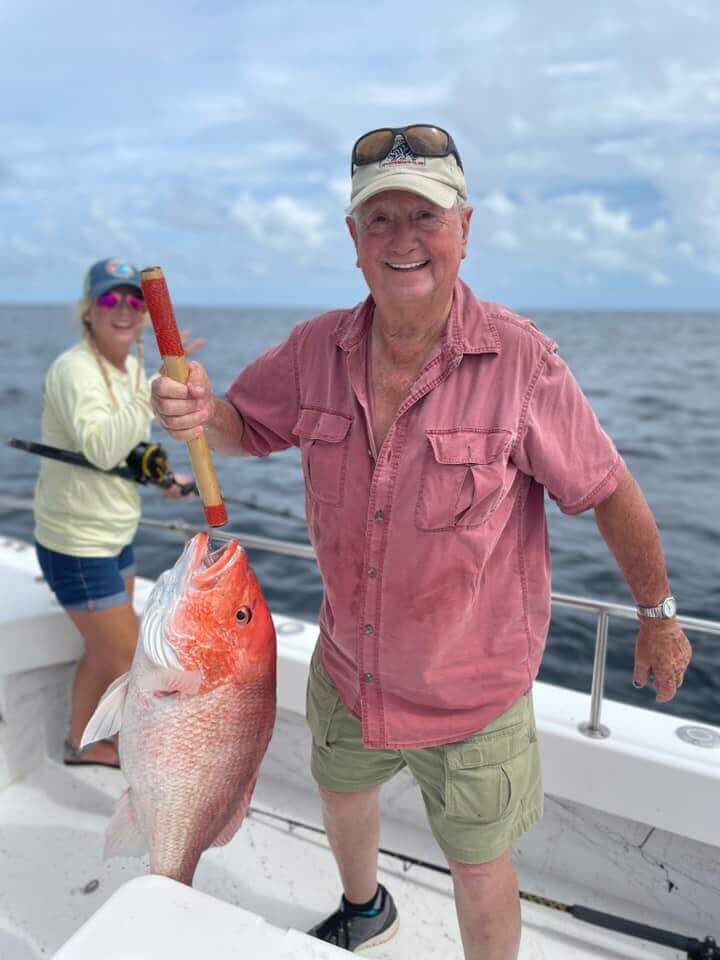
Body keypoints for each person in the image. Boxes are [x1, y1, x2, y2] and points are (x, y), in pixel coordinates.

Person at [149, 125, 692, 960]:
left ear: (464, 230)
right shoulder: (312, 349)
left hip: (472, 697)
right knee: (342, 797)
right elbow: (240, 427)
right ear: (353, 241)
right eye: (380, 220)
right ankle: (365, 909)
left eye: (425, 218)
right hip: (346, 668)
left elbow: (609, 490)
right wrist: (198, 412)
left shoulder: (523, 361)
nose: (403, 240)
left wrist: (657, 614)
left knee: (479, 868)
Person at [34, 258, 200, 769]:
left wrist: (161, 477)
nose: (124, 309)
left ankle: (82, 744)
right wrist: (152, 397)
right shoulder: (73, 370)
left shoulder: (128, 368)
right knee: (136, 662)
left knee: (102, 652)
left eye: (135, 300)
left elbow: (123, 453)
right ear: (88, 311)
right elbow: (101, 447)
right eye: (110, 299)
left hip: (114, 533)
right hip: (78, 544)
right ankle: (162, 772)